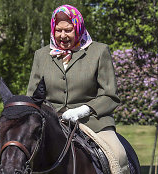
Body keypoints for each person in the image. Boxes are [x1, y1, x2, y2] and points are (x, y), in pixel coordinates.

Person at [27, 4, 129, 173]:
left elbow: (110, 96)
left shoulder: (99, 51)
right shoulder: (41, 55)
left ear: (79, 27)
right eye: (58, 30)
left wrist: (83, 110)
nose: (62, 35)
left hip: (93, 122)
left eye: (68, 30)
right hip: (51, 124)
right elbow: (33, 96)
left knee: (119, 155)